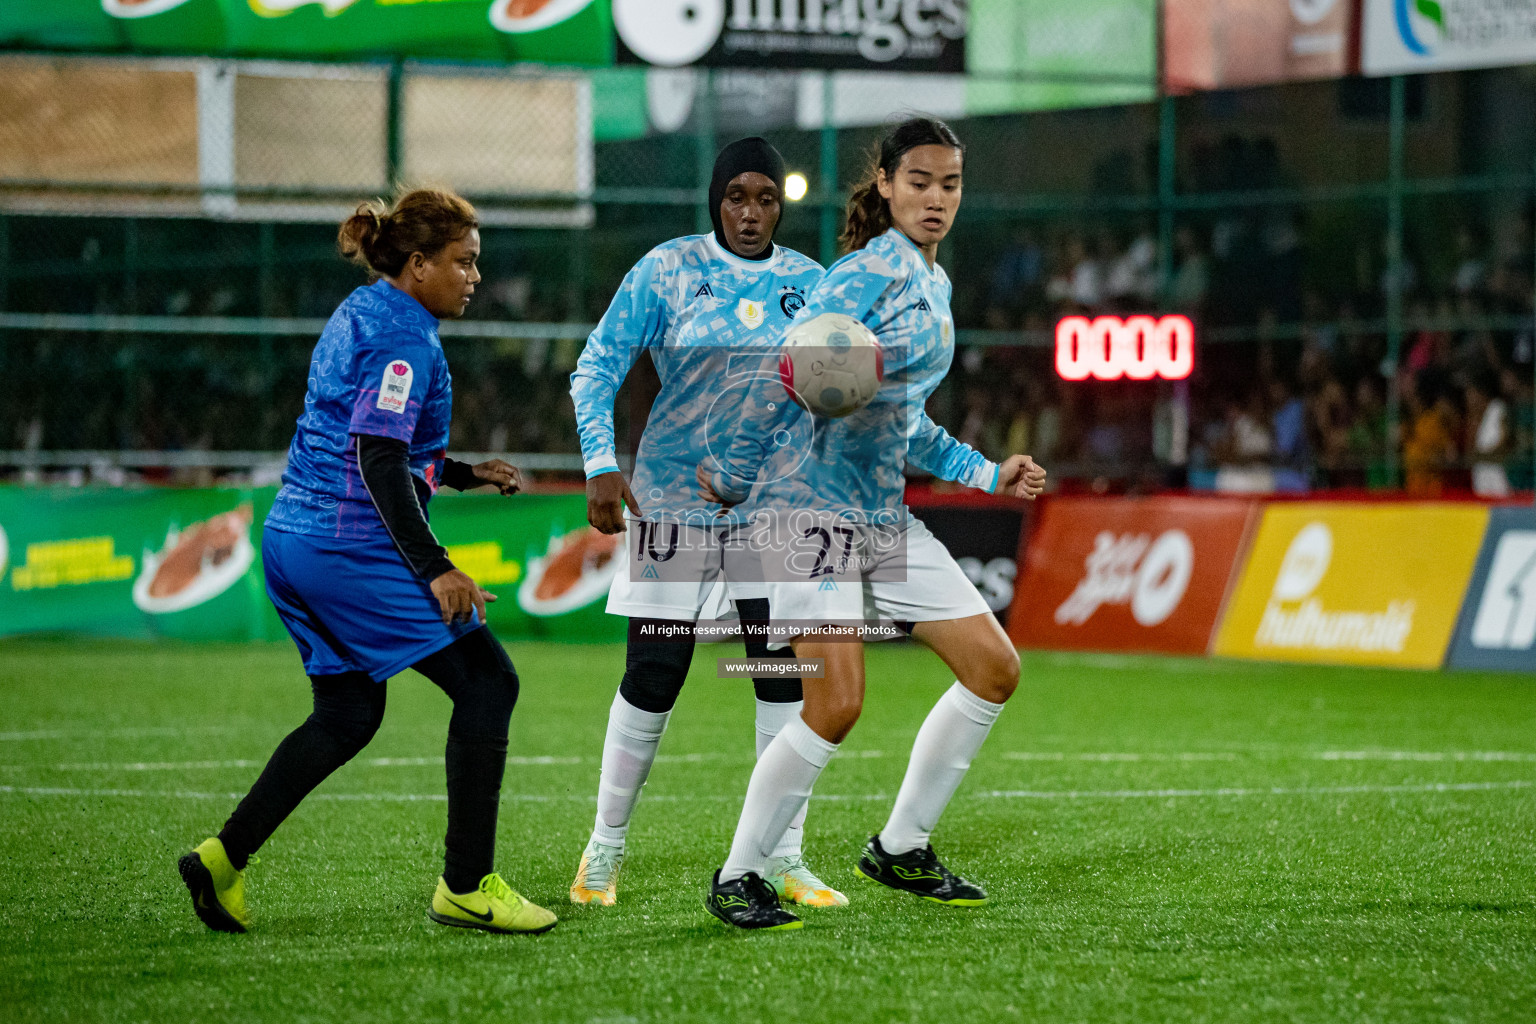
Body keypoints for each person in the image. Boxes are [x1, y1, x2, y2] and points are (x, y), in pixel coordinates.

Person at [696, 117, 1047, 931]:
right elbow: (784, 372)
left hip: (881, 516)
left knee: (994, 669)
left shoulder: (935, 282)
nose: (935, 198)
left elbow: (906, 418)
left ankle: (900, 848)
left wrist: (986, 471)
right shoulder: (861, 277)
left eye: (950, 184)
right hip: (805, 511)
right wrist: (737, 472)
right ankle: (741, 873)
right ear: (885, 185)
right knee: (837, 704)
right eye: (918, 182)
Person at [177, 188, 557, 937]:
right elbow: (377, 458)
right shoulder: (406, 342)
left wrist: (461, 473)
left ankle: (223, 858)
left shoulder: (366, 310)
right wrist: (436, 566)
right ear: (418, 264)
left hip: (291, 536)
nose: (475, 277)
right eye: (463, 262)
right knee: (489, 681)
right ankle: (466, 885)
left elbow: (380, 444)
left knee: (349, 712)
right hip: (345, 543)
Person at [566, 139, 841, 908]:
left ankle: (780, 856)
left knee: (780, 673)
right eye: (736, 198)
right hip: (672, 501)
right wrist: (598, 463)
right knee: (653, 675)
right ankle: (604, 851)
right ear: (715, 200)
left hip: (776, 508)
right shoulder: (665, 271)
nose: (751, 213)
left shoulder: (811, 285)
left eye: (765, 198)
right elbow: (594, 368)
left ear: (780, 205)